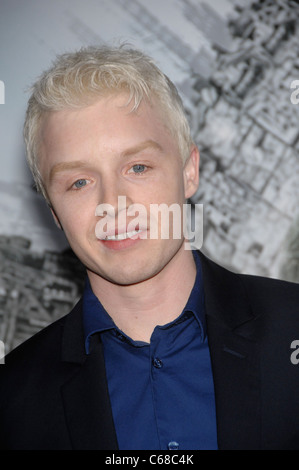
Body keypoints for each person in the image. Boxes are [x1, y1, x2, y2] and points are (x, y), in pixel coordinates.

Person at [0, 44, 299, 451]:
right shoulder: (12, 401)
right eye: (79, 182)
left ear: (189, 171)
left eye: (137, 167)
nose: (113, 203)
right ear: (54, 211)